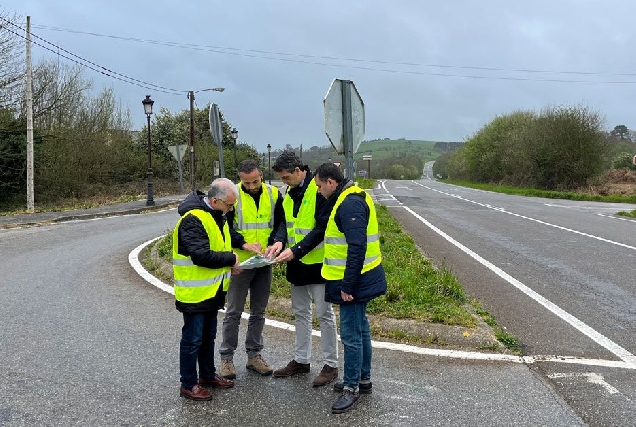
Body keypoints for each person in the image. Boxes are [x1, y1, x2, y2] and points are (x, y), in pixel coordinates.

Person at [313, 163, 387, 414]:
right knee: (361, 328)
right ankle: (363, 379)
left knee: (351, 335)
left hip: (355, 280)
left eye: (320, 186)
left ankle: (352, 388)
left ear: (331, 182)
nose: (320, 191)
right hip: (362, 276)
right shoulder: (352, 195)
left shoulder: (349, 203)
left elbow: (357, 247)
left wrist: (347, 285)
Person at [271, 151, 339, 387]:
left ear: (300, 171)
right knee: (300, 313)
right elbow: (283, 223)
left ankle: (331, 365)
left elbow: (321, 228)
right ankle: (301, 360)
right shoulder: (288, 192)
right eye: (282, 178)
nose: (284, 181)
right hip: (296, 263)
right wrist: (280, 241)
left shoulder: (318, 189)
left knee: (324, 315)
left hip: (318, 264)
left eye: (287, 176)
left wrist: (296, 250)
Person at [172, 178, 239, 401]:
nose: (232, 209)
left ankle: (207, 375)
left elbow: (219, 246)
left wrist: (229, 265)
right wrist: (231, 259)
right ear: (214, 200)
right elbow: (200, 255)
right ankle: (188, 384)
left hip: (212, 290)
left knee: (208, 336)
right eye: (229, 205)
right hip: (194, 293)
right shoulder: (193, 219)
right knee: (192, 340)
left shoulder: (217, 215)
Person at [219, 159, 286, 379]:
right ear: (240, 179)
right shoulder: (232, 195)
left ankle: (254, 355)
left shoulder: (274, 194)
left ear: (261, 175)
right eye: (246, 182)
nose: (251, 186)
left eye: (255, 181)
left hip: (264, 262)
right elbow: (226, 227)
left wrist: (277, 241)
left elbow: (280, 225)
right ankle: (226, 358)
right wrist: (243, 244)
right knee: (234, 312)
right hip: (240, 262)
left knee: (259, 311)